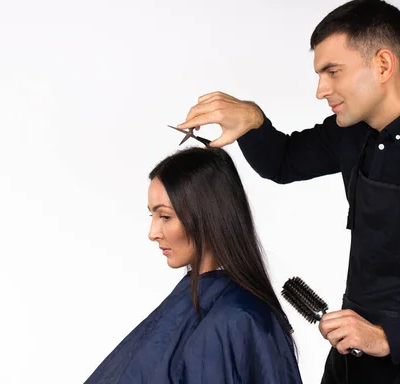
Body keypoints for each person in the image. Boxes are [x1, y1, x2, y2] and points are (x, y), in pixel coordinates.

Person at [178, 0, 400, 384]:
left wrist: (386, 338)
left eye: (332, 72)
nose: (320, 90)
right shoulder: (353, 132)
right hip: (351, 364)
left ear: (382, 64)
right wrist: (252, 120)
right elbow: (284, 162)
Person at [85, 147, 303, 384]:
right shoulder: (203, 303)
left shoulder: (236, 320)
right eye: (152, 216)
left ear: (206, 215)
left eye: (165, 217)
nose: (153, 233)